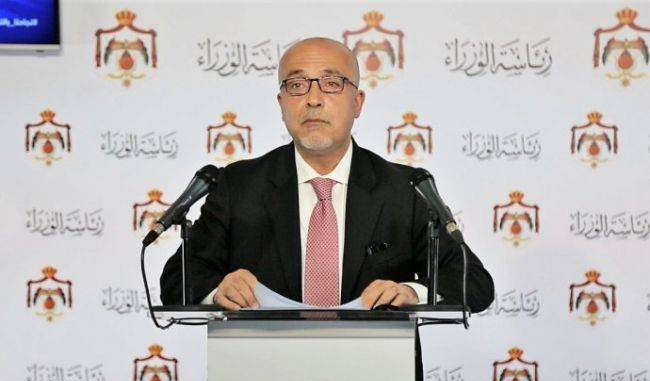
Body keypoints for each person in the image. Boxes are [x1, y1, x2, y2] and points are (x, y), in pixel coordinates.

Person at [160, 37, 494, 311]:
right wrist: (219, 290)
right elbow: (177, 280)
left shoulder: (404, 189)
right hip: (265, 367)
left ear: (358, 102)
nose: (314, 99)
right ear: (281, 103)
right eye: (297, 85)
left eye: (332, 84)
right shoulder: (239, 186)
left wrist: (411, 292)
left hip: (377, 367)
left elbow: (474, 282)